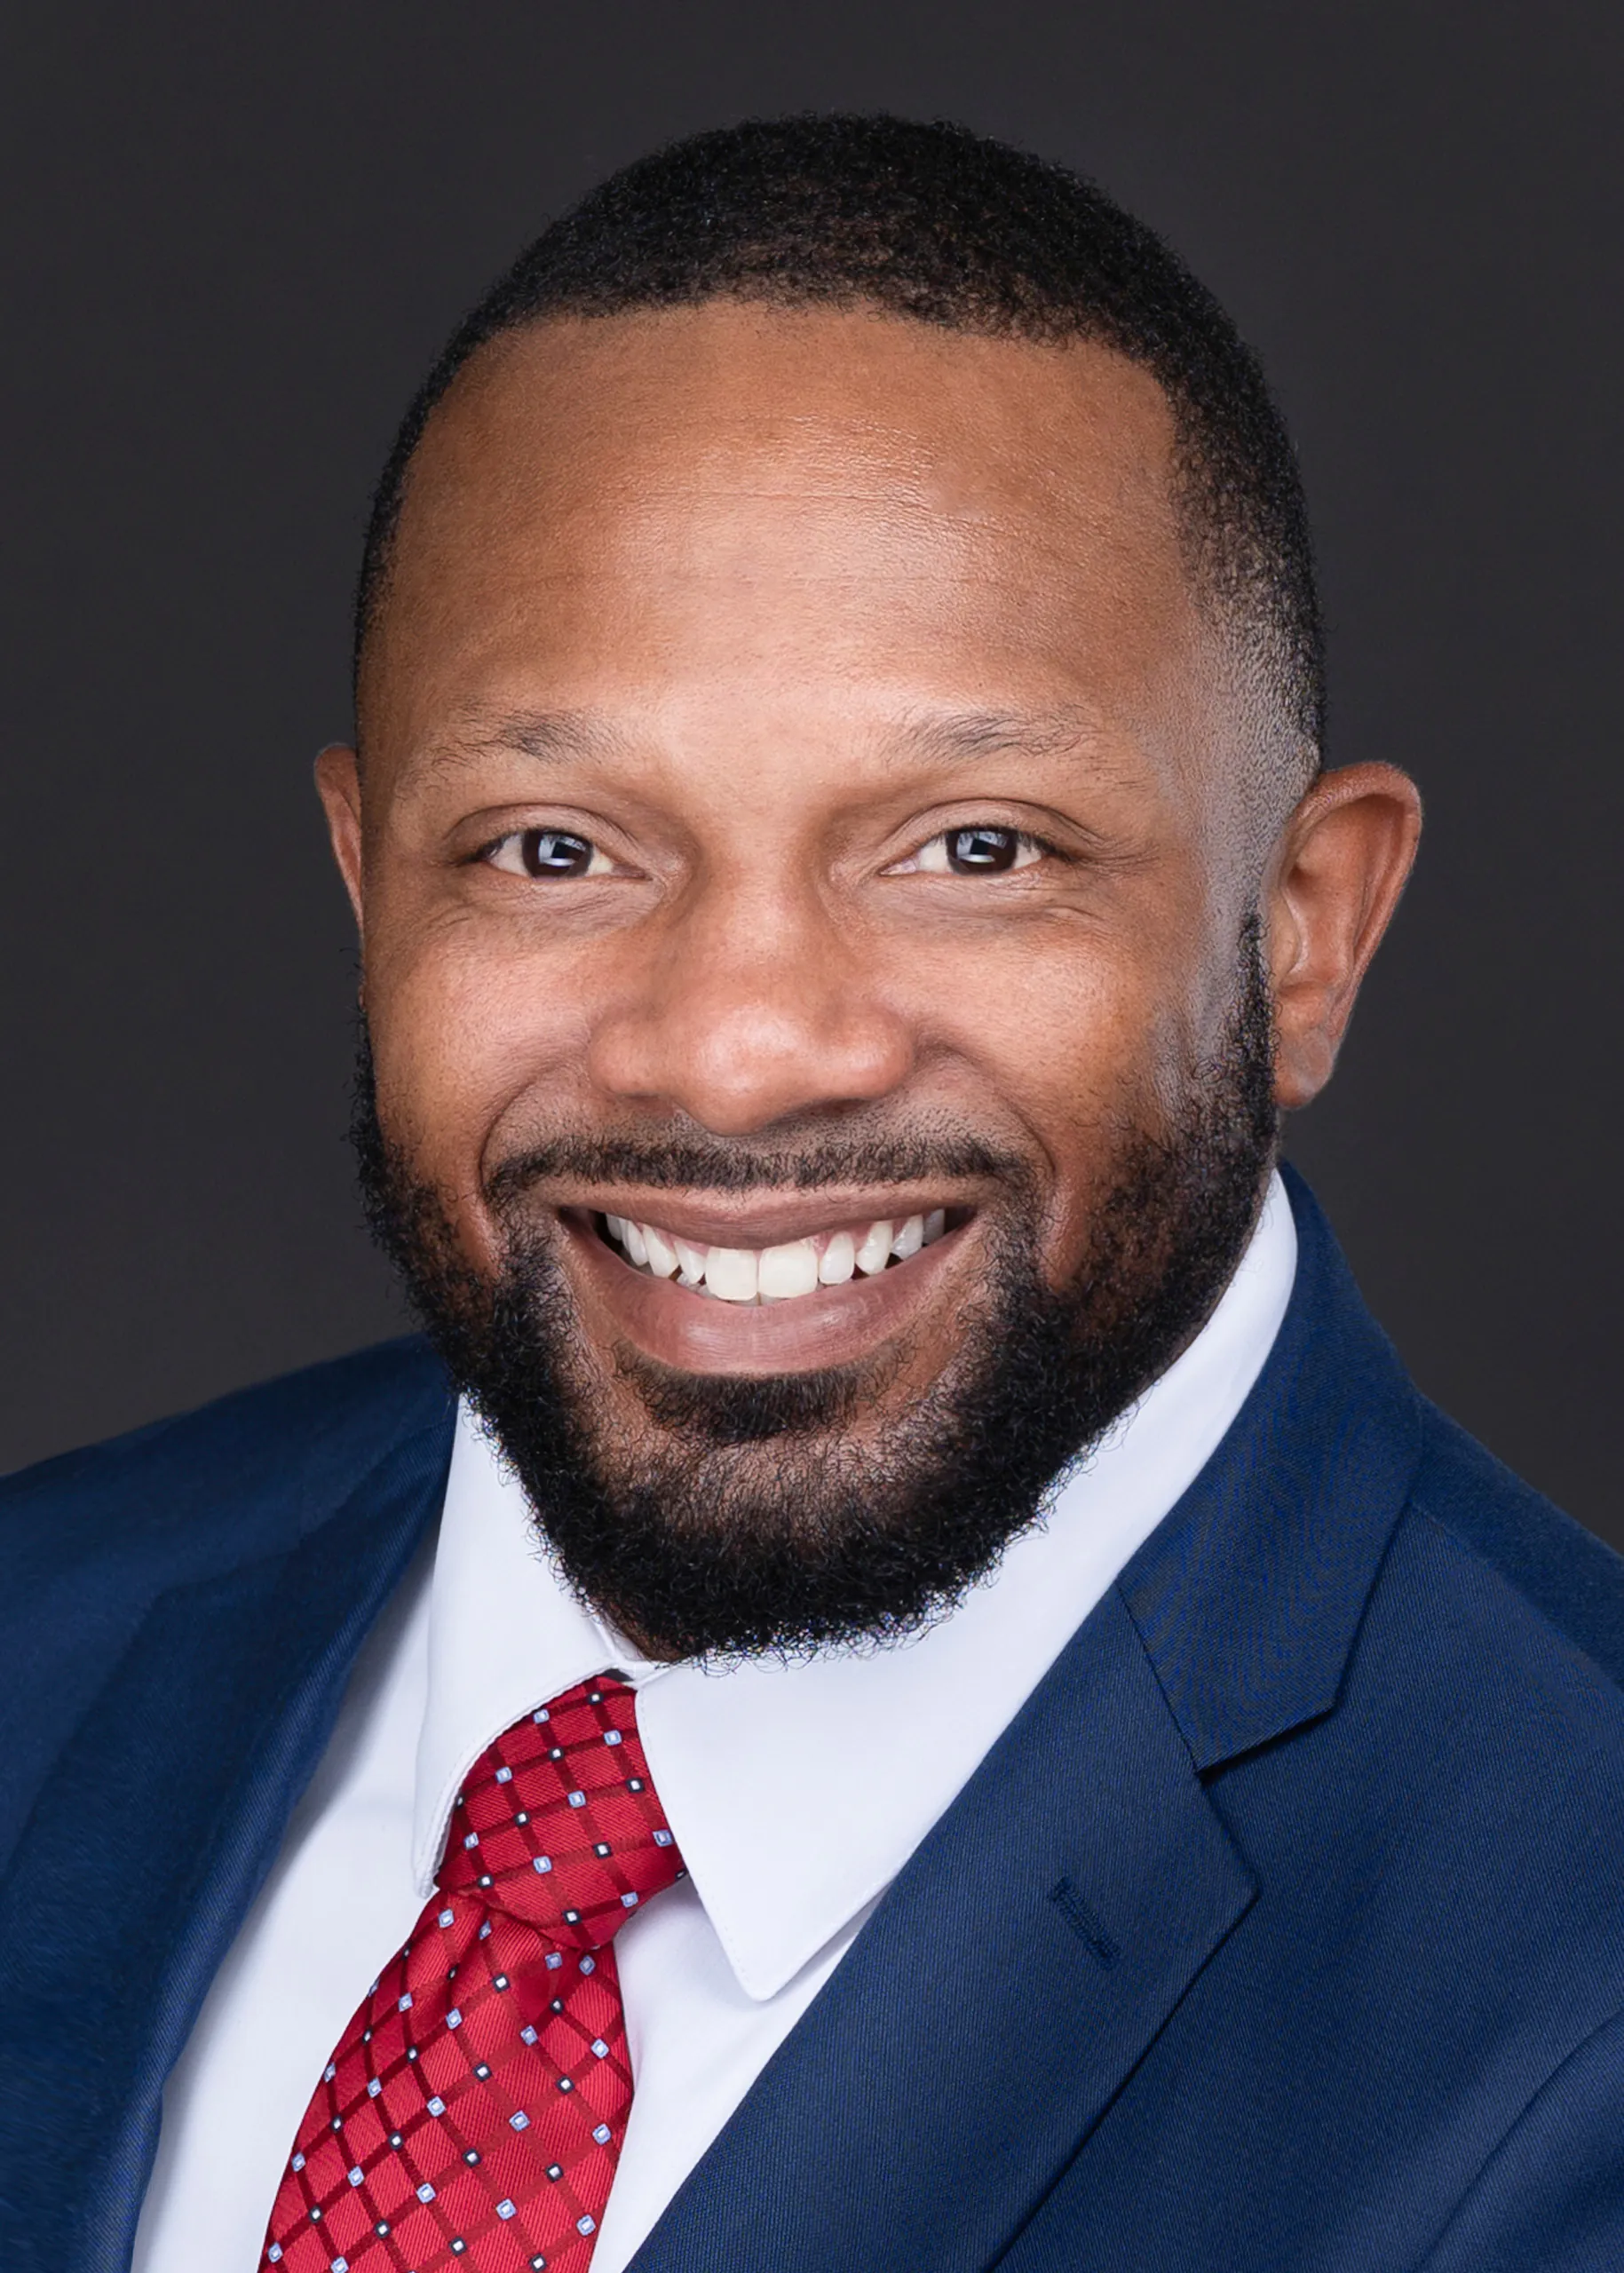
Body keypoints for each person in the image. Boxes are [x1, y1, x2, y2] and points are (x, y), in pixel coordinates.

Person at [4, 112, 1622, 2273]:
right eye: (553, 847)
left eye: (974, 847)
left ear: (1300, 932)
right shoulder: (42, 1633)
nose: (739, 1044)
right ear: (363, 879)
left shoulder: (1572, 1987)